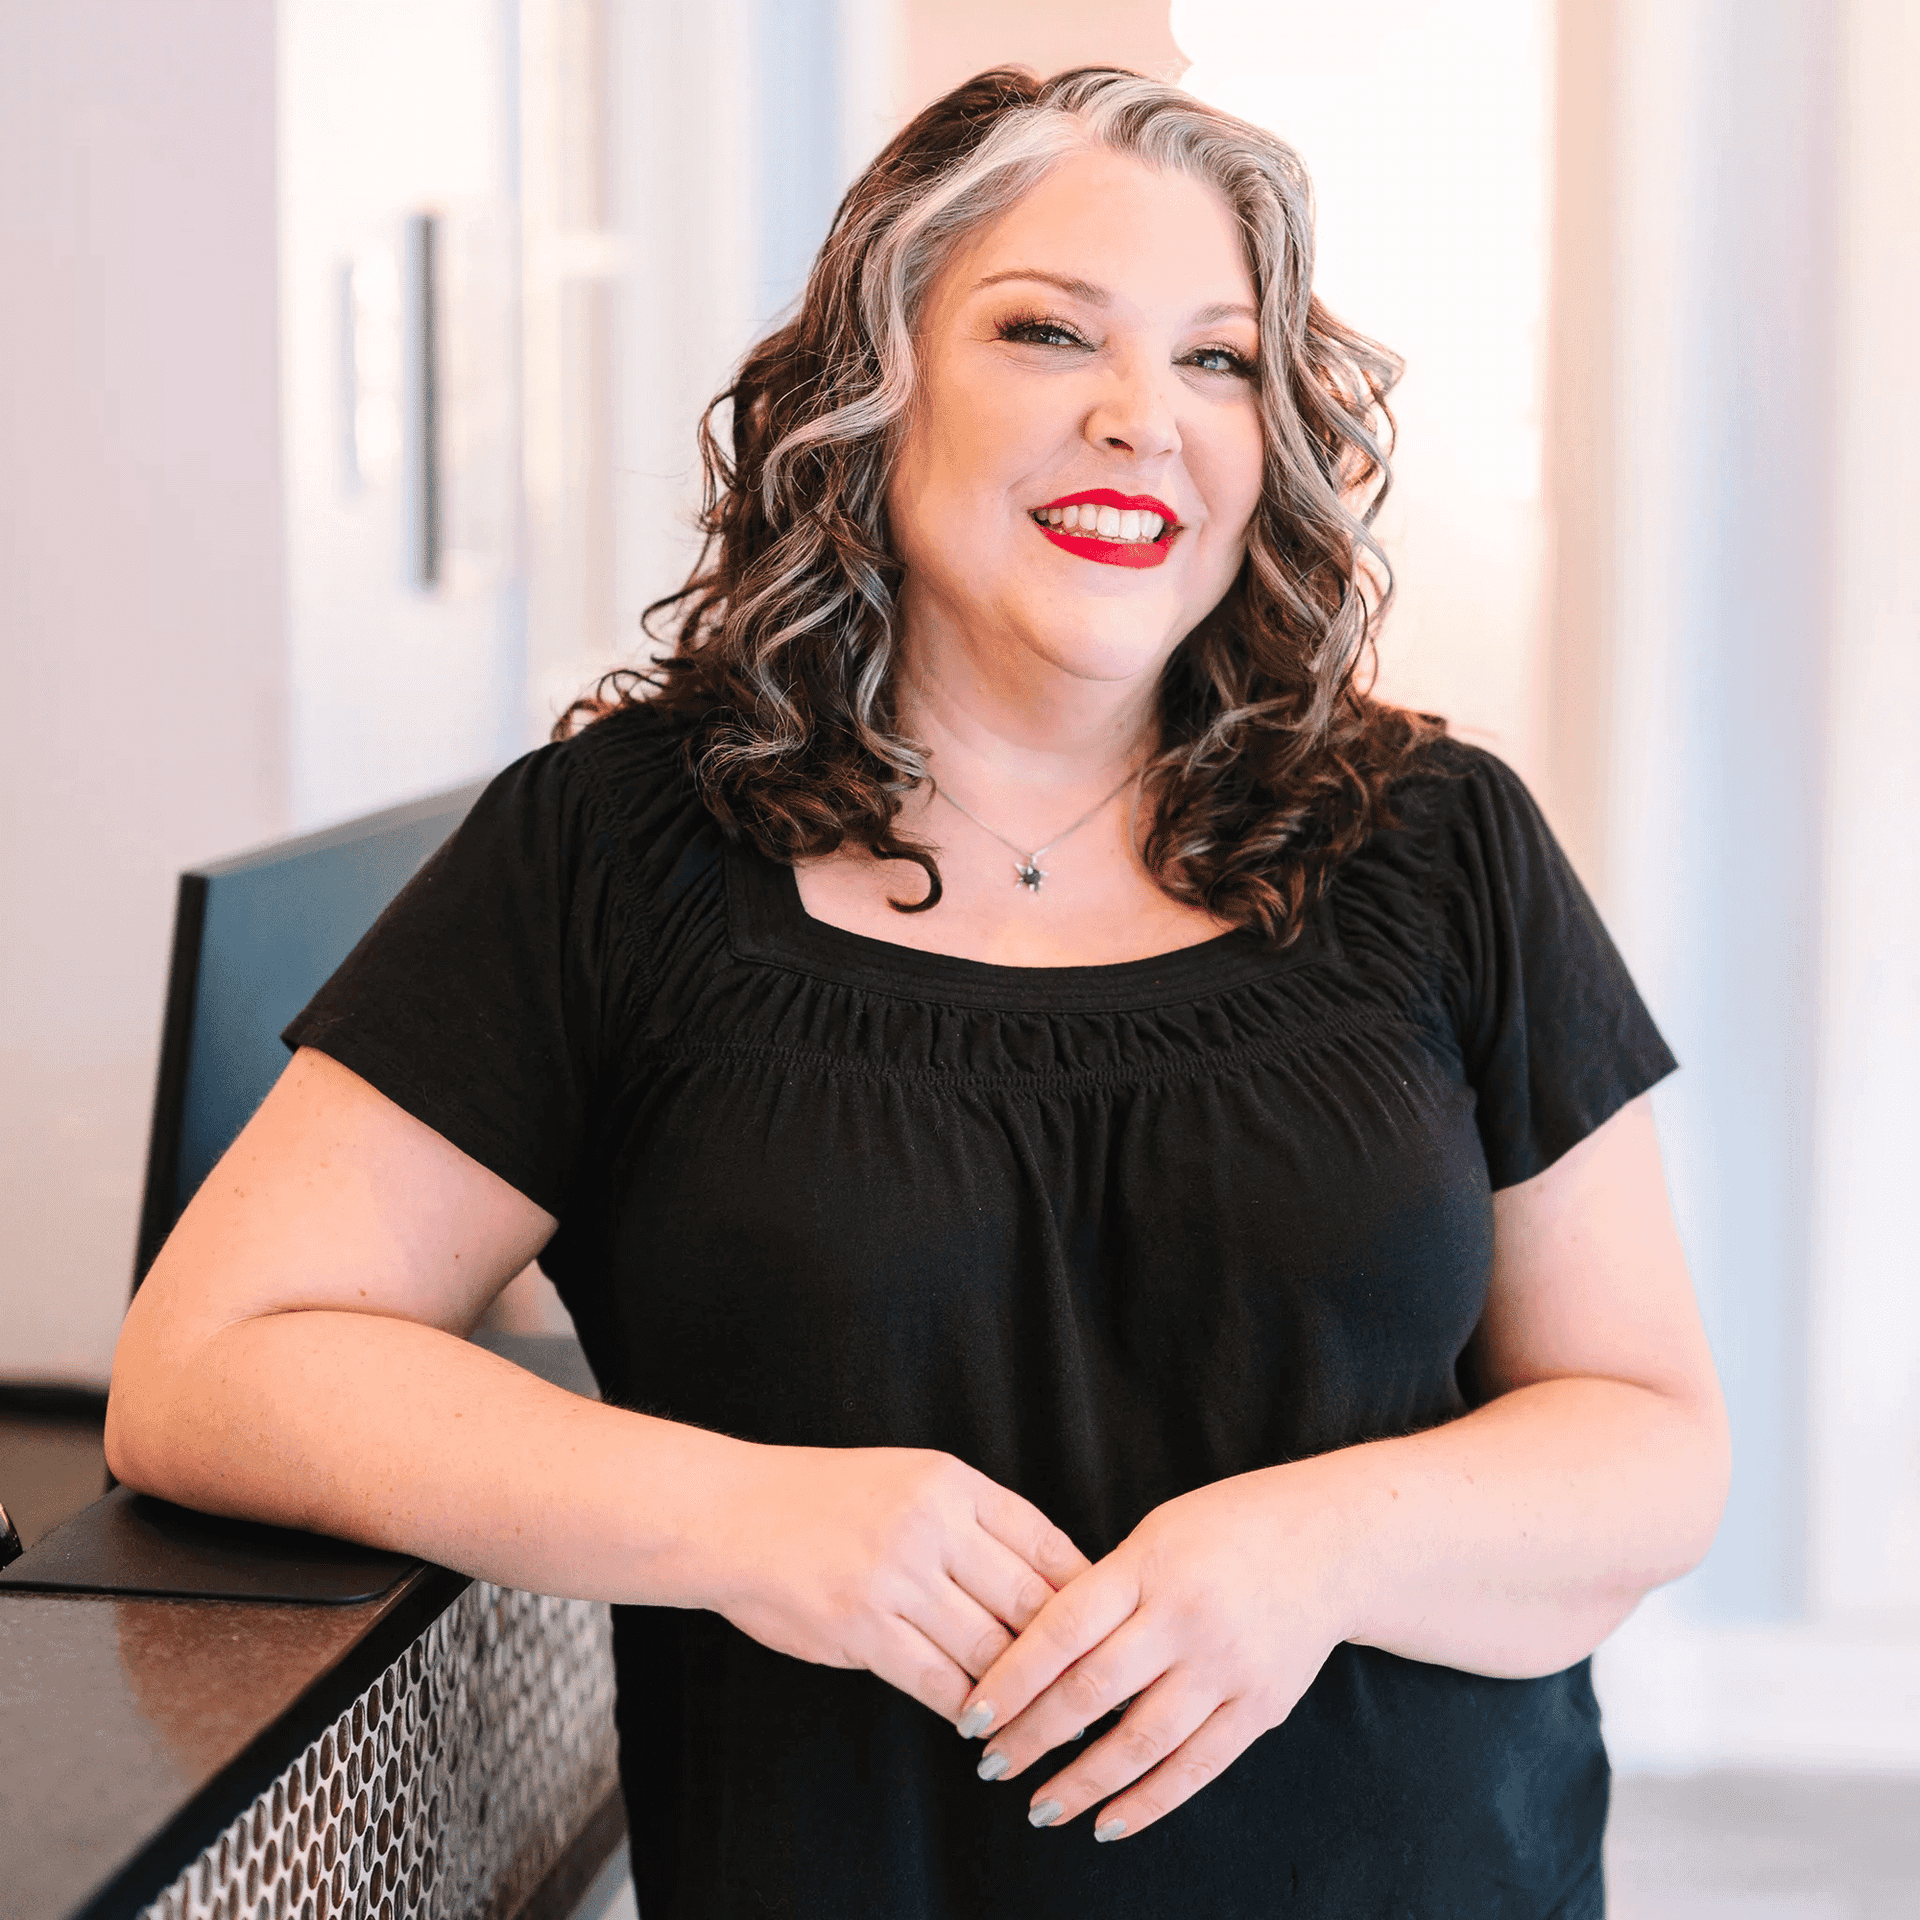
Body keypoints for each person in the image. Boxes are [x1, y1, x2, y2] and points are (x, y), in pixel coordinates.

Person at [106, 66, 1730, 1920]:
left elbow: (1646, 1437)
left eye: (1218, 361)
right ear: (875, 389)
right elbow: (209, 1367)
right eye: (1050, 333)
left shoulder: (1443, 842)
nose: (1146, 419)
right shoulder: (618, 851)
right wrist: (733, 1514)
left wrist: (1319, 1548)